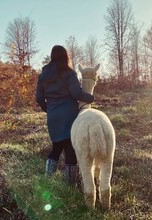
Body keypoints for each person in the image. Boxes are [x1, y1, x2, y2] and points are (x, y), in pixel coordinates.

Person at [35, 45, 94, 185]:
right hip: (69, 116)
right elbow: (76, 93)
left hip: (53, 116)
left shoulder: (43, 75)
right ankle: (70, 185)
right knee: (70, 150)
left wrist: (49, 110)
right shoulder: (69, 73)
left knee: (56, 147)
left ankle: (48, 180)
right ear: (65, 56)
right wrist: (91, 98)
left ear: (52, 56)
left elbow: (38, 98)